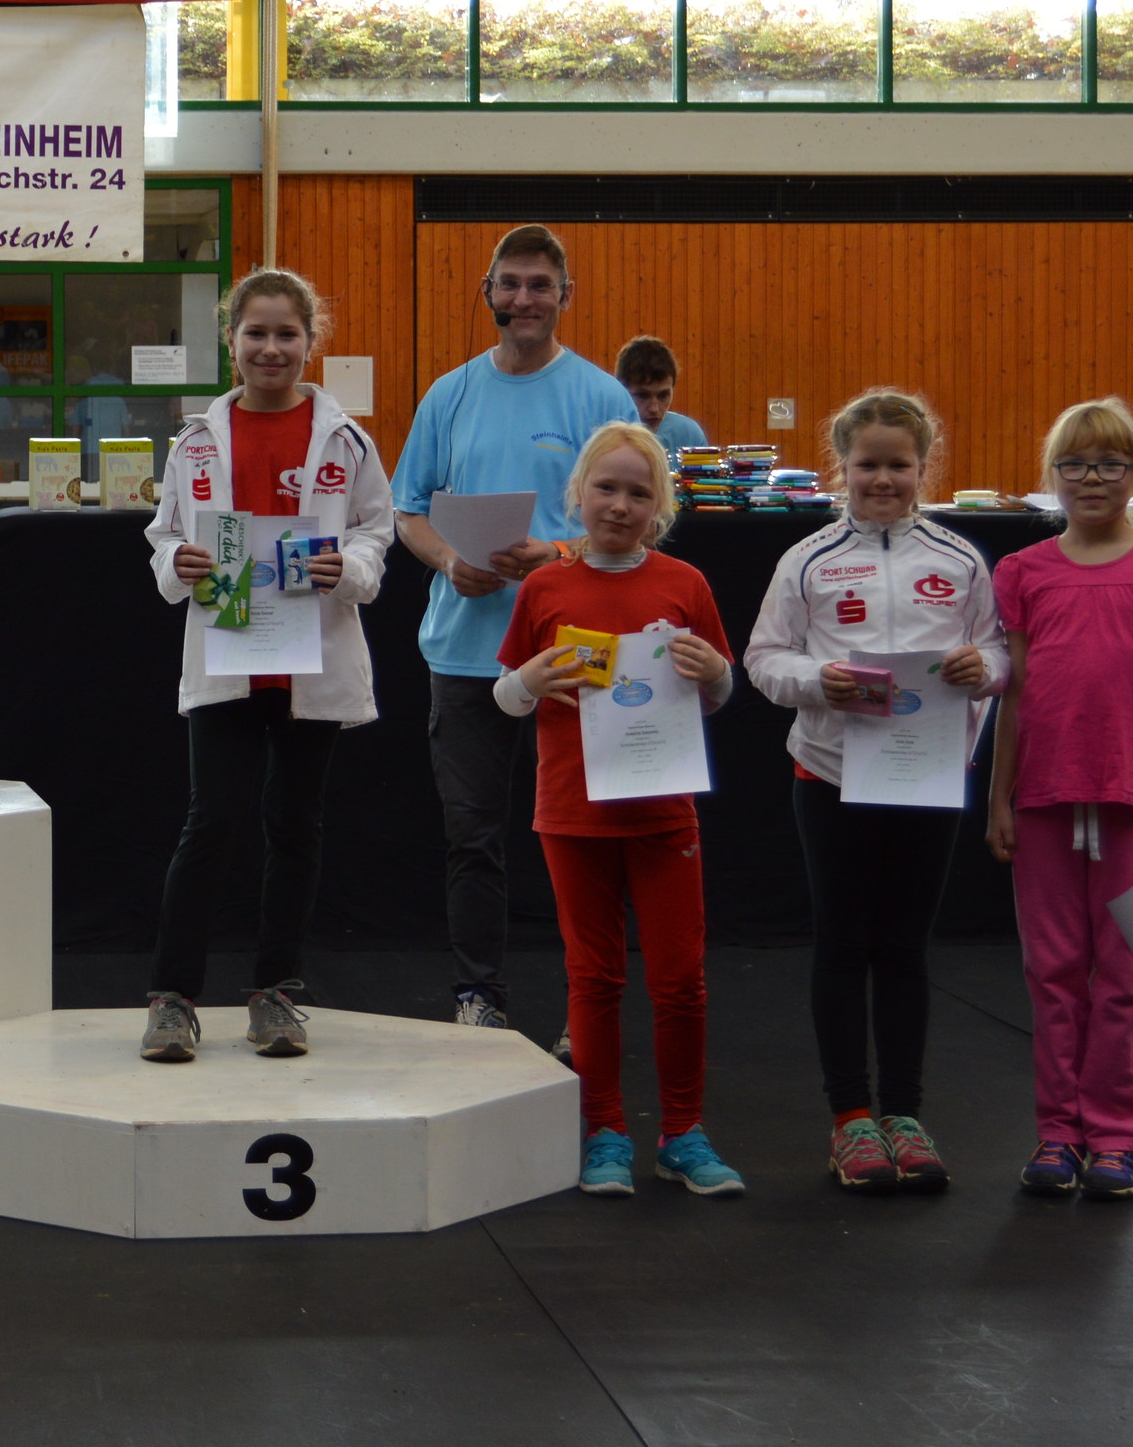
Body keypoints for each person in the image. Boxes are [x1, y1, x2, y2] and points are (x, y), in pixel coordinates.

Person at [745, 389, 1005, 1193]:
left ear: (924, 468)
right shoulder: (809, 559)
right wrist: (817, 679)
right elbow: (764, 659)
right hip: (831, 776)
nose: (883, 479)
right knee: (842, 943)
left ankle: (904, 1116)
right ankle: (850, 1119)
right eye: (867, 465)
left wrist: (985, 669)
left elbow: (1000, 652)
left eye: (899, 465)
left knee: (902, 948)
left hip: (928, 776)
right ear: (842, 467)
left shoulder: (960, 560)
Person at [138, 270, 395, 1062]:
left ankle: (276, 992)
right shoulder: (196, 441)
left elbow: (375, 530)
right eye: (257, 333)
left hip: (309, 656)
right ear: (232, 340)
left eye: (288, 334)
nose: (271, 348)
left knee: (295, 825)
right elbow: (163, 534)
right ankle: (172, 998)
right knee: (211, 821)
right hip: (230, 650)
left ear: (311, 342)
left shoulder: (346, 440)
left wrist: (348, 568)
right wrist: (177, 563)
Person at [496, 420, 747, 1199]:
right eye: (606, 488)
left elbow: (718, 695)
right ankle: (605, 1132)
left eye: (639, 494)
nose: (619, 505)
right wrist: (531, 679)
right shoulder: (545, 587)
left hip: (663, 810)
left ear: (659, 508)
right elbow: (504, 696)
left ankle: (683, 1133)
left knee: (680, 981)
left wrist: (714, 674)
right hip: (573, 813)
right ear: (577, 494)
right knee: (594, 978)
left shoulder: (685, 584)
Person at [394, 224, 635, 1028]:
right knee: (473, 838)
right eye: (511, 283)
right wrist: (446, 560)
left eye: (540, 285)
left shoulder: (603, 399)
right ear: (488, 292)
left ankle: (586, 1010)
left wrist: (558, 554)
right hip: (466, 653)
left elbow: (641, 521)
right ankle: (478, 998)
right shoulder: (448, 394)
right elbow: (408, 510)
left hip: (575, 653)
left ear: (566, 296)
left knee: (586, 838)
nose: (524, 298)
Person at [986, 397, 1133, 1200]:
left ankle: (1119, 1135)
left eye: (1111, 464)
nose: (1092, 479)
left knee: (1124, 972)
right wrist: (1000, 799)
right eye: (1076, 464)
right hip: (1045, 798)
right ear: (1053, 476)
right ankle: (1059, 1133)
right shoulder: (1024, 572)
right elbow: (1015, 695)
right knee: (1052, 969)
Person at [615, 335, 708, 454]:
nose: (654, 408)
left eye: (663, 395)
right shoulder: (604, 437)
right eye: (642, 396)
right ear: (622, 391)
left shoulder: (689, 435)